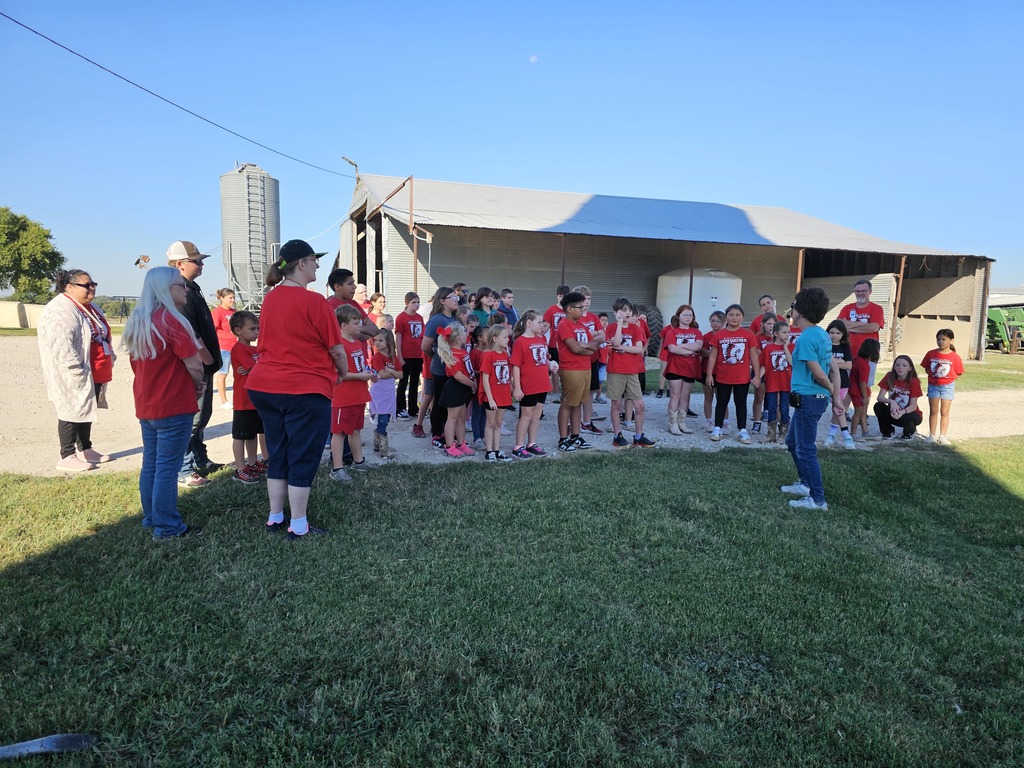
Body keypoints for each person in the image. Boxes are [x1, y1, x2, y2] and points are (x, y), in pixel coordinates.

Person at [247, 239, 347, 538]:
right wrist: (341, 373)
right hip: (304, 388)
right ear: (301, 264)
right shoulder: (314, 301)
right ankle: (299, 524)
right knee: (303, 455)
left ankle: (275, 517)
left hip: (265, 384)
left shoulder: (270, 298)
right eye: (314, 260)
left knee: (279, 453)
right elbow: (337, 349)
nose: (318, 264)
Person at [122, 267, 206, 539]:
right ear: (166, 289)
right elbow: (194, 365)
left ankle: (151, 517)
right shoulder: (172, 321)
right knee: (168, 468)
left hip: (148, 403)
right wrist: (197, 387)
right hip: (173, 403)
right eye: (179, 285)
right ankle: (168, 526)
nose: (184, 289)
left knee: (152, 463)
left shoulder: (140, 321)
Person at [38, 268, 115, 471]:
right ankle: (67, 455)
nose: (91, 288)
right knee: (70, 410)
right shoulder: (60, 310)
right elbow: (62, 344)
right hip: (72, 371)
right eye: (86, 285)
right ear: (69, 287)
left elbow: (102, 333)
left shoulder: (89, 306)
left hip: (94, 370)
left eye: (93, 284)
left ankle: (85, 449)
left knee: (86, 410)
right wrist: (75, 369)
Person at [780, 286, 843, 511]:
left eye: (794, 305)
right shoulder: (822, 334)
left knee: (805, 449)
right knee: (792, 443)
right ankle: (805, 485)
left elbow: (819, 372)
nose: (792, 309)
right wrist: (834, 397)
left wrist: (833, 393)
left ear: (802, 310)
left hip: (809, 398)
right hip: (810, 398)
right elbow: (834, 368)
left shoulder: (807, 337)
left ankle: (817, 500)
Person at [167, 240, 222, 487]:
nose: (201, 265)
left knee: (202, 417)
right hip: (196, 367)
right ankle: (185, 469)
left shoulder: (193, 288)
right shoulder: (181, 293)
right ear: (180, 264)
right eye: (196, 261)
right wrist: (207, 360)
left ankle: (200, 459)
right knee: (192, 419)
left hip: (204, 367)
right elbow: (191, 334)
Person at [706, 304, 760, 444]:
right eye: (731, 314)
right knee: (721, 402)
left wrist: (757, 375)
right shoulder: (719, 335)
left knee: (740, 403)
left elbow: (754, 356)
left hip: (742, 377)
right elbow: (712, 356)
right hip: (723, 376)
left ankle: (742, 430)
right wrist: (709, 374)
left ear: (743, 317)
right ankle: (717, 428)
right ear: (726, 317)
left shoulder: (748, 335)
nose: (734, 317)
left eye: (737, 315)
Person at [331, 304, 376, 474]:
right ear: (343, 325)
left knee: (355, 430)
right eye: (356, 323)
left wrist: (369, 374)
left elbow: (359, 367)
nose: (359, 326)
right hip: (343, 397)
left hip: (358, 394)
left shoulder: (357, 343)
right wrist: (360, 376)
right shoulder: (338, 345)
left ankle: (359, 461)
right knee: (339, 433)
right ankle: (337, 468)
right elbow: (338, 374)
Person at [607, 298, 656, 448]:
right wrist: (620, 324)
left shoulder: (637, 329)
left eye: (629, 310)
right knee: (616, 404)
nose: (628, 312)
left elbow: (639, 349)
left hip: (632, 371)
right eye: (624, 309)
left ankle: (639, 436)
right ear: (616, 312)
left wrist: (622, 348)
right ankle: (617, 435)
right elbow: (614, 343)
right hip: (616, 371)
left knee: (639, 405)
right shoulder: (611, 327)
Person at [556, 291, 599, 452]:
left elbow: (593, 345)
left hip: (585, 368)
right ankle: (563, 439)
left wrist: (585, 347)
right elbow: (574, 348)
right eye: (579, 307)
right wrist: (586, 347)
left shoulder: (581, 325)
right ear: (569, 309)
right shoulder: (564, 325)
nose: (582, 310)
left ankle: (575, 436)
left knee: (578, 404)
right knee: (568, 403)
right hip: (571, 369)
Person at [510, 310, 556, 459]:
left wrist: (550, 364)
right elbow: (516, 365)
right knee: (526, 415)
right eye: (539, 322)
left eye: (543, 322)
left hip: (542, 382)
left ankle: (532, 443)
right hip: (528, 384)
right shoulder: (520, 342)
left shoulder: (542, 339)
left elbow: (543, 358)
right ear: (529, 323)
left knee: (536, 415)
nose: (542, 325)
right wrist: (517, 387)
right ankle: (518, 446)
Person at [228, 310, 266, 484]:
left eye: (258, 328)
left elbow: (264, 363)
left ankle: (252, 463)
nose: (256, 332)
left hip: (256, 399)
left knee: (253, 434)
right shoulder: (238, 349)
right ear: (238, 330)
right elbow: (260, 365)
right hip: (243, 400)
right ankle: (240, 468)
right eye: (252, 329)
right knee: (240, 436)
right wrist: (258, 365)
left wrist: (256, 365)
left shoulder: (255, 348)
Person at [422, 287, 461, 447]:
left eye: (456, 298)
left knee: (451, 402)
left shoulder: (456, 319)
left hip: (455, 368)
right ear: (442, 301)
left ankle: (449, 432)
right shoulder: (436, 320)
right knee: (439, 402)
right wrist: (439, 357)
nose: (456, 300)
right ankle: (437, 433)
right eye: (452, 298)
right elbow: (425, 345)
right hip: (441, 369)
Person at [660, 304, 703, 435]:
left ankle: (682, 423)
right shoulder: (672, 332)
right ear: (678, 316)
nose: (688, 317)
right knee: (675, 395)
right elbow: (672, 348)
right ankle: (672, 424)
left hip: (691, 368)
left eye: (690, 315)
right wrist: (689, 350)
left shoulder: (697, 332)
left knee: (685, 396)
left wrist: (682, 347)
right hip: (675, 367)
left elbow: (699, 346)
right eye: (685, 314)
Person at [435, 324, 477, 458]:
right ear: (458, 337)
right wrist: (472, 384)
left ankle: (461, 443)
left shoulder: (462, 352)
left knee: (461, 417)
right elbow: (457, 375)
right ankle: (449, 446)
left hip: (464, 387)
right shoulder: (453, 354)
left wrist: (471, 383)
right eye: (464, 332)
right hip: (455, 387)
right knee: (452, 418)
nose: (467, 334)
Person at [920, 329, 965, 445]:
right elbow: (926, 367)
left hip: (947, 387)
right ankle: (932, 435)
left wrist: (948, 380)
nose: (940, 342)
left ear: (951, 340)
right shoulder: (931, 354)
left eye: (944, 339)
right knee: (933, 411)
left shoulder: (955, 357)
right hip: (933, 386)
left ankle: (943, 436)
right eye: (938, 339)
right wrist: (934, 375)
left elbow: (959, 372)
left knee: (944, 411)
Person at [478, 324, 514, 462]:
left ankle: (497, 449)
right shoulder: (488, 355)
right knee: (490, 423)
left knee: (499, 423)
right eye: (504, 337)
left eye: (507, 336)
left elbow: (506, 375)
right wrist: (490, 398)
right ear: (494, 338)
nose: (507, 339)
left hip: (503, 394)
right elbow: (485, 379)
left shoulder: (505, 354)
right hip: (492, 396)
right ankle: (489, 451)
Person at [367, 328, 401, 459]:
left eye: (381, 340)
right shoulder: (377, 357)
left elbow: (401, 374)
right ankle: (383, 447)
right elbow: (382, 374)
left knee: (385, 416)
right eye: (375, 341)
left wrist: (390, 371)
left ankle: (377, 443)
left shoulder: (393, 357)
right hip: (379, 391)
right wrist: (392, 372)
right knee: (382, 418)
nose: (377, 343)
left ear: (389, 341)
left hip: (389, 393)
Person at [874, 355, 924, 440]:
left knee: (910, 417)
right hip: (894, 412)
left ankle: (909, 432)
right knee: (878, 406)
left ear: (910, 368)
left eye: (904, 365)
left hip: (909, 413)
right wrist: (891, 402)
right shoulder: (889, 376)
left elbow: (913, 405)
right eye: (897, 365)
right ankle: (888, 432)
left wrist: (902, 412)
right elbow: (880, 397)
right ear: (894, 366)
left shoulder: (914, 381)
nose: (900, 368)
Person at [824, 319, 855, 449]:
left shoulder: (845, 348)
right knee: (832, 407)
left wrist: (834, 362)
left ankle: (833, 435)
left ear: (843, 334)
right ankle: (843, 434)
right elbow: (823, 363)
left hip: (842, 382)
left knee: (838, 407)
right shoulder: (824, 346)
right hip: (825, 381)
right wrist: (839, 361)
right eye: (832, 332)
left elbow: (849, 365)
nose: (834, 335)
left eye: (838, 333)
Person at [760, 319, 793, 443]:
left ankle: (783, 433)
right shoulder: (768, 348)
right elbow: (763, 365)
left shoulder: (791, 347)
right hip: (772, 382)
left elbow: (791, 362)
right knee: (772, 407)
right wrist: (758, 377)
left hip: (786, 383)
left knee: (784, 407)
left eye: (788, 332)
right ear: (775, 334)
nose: (787, 335)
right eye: (784, 332)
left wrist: (785, 347)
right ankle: (771, 433)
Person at [838, 280, 885, 359]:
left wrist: (847, 326)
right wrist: (864, 325)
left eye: (864, 291)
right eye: (858, 291)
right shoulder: (847, 308)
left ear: (870, 292)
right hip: (848, 352)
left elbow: (873, 328)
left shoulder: (877, 308)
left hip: (868, 354)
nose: (860, 293)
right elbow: (839, 326)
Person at [394, 292, 423, 421]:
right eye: (413, 302)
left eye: (418, 302)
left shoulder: (419, 317)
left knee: (415, 382)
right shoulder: (401, 318)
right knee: (403, 381)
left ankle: (413, 408)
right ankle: (400, 408)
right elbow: (398, 337)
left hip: (418, 354)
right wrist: (399, 356)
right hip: (406, 354)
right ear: (407, 303)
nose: (416, 305)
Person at [210, 288, 236, 411]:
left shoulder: (234, 312)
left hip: (235, 347)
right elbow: (212, 331)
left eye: (233, 297)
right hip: (224, 347)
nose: (232, 300)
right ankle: (224, 400)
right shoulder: (217, 312)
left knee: (239, 373)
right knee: (223, 374)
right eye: (230, 298)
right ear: (222, 298)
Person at [543, 284, 570, 400]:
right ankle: (555, 391)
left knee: (565, 369)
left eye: (564, 296)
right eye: (560, 296)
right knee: (555, 368)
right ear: (556, 296)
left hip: (567, 344)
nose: (562, 298)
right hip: (554, 344)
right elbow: (545, 326)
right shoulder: (552, 310)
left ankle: (566, 390)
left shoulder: (570, 310)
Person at [849, 338, 880, 439]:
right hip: (857, 391)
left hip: (856, 390)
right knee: (858, 412)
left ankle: (865, 432)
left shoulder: (858, 359)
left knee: (862, 412)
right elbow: (862, 382)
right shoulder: (864, 365)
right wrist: (865, 396)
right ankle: (853, 433)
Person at [701, 311, 725, 431]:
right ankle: (708, 420)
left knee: (722, 397)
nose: (715, 323)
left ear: (724, 322)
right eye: (712, 321)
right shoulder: (706, 336)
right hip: (707, 369)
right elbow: (702, 352)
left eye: (718, 321)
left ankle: (724, 421)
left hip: (721, 371)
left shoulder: (726, 335)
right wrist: (714, 352)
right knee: (708, 396)